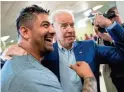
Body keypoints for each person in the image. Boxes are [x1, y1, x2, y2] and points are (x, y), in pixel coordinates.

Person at [2, 8, 124, 92]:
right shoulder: (44, 51)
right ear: (53, 28)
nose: (70, 30)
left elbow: (121, 54)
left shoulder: (90, 47)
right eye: (64, 26)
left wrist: (109, 25)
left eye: (72, 25)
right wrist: (4, 55)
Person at [94, 6, 124, 92]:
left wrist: (111, 39)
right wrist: (101, 34)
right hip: (119, 74)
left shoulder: (115, 30)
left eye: (117, 15)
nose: (116, 17)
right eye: (114, 16)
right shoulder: (108, 31)